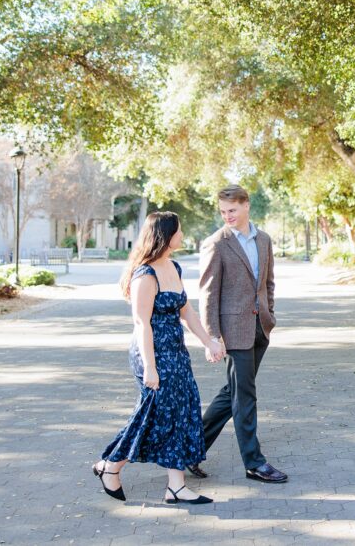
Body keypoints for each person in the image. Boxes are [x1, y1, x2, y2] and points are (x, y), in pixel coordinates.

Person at [92, 211, 217, 504]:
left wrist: (208, 341)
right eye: (180, 230)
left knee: (181, 411)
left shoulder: (173, 267)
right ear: (166, 234)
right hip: (152, 353)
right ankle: (111, 465)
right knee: (154, 413)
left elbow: (187, 312)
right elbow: (141, 323)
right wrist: (150, 367)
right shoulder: (144, 274)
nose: (183, 235)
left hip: (175, 351)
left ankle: (176, 486)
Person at [186, 185, 287, 483]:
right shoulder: (216, 243)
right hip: (232, 332)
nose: (227, 216)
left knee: (233, 392)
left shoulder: (264, 239)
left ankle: (190, 450)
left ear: (246, 206)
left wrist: (269, 313)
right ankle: (254, 463)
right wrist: (213, 337)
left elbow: (268, 282)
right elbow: (207, 293)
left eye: (232, 210)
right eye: (222, 211)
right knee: (245, 396)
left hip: (260, 327)